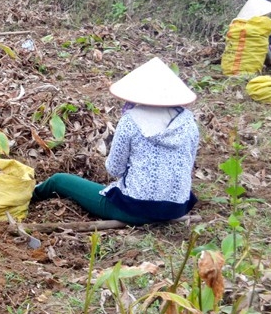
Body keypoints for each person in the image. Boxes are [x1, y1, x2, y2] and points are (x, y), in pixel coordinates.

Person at [32, 57, 200, 225]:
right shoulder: (188, 122)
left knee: (59, 180)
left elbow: (114, 168)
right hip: (176, 208)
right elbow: (187, 164)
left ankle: (26, 196)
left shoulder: (131, 120)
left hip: (136, 209)